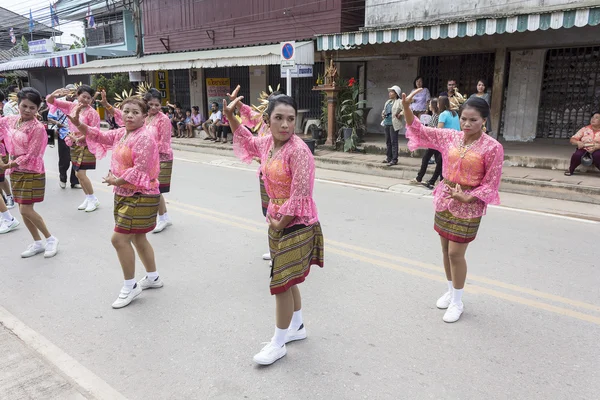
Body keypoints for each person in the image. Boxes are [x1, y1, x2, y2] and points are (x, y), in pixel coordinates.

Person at [226, 91, 324, 366]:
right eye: (279, 118)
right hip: (277, 219)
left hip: (298, 222)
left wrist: (282, 220)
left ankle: (278, 343)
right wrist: (231, 117)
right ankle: (298, 327)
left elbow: (301, 191)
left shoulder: (298, 151)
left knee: (280, 283)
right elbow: (246, 140)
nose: (285, 125)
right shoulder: (268, 142)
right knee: (287, 279)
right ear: (267, 120)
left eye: (290, 119)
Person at [403, 90, 504, 323]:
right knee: (444, 251)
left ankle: (458, 301)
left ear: (484, 121)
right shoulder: (450, 137)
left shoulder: (492, 147)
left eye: (473, 120)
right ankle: (451, 291)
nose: (467, 124)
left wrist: (470, 198)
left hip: (469, 204)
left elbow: (491, 183)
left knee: (455, 254)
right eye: (464, 118)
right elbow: (420, 131)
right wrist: (407, 108)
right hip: (446, 198)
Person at [67, 98, 163, 309]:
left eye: (135, 112)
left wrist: (116, 180)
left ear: (144, 116)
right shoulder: (121, 133)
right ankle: (153, 278)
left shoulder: (145, 138)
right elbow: (99, 134)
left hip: (141, 193)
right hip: (124, 192)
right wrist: (79, 124)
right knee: (138, 238)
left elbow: (140, 170)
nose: (129, 115)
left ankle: (130, 286)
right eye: (126, 111)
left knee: (119, 240)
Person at [101, 88, 174, 234]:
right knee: (152, 189)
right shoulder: (141, 117)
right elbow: (121, 114)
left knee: (154, 188)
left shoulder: (163, 119)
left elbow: (164, 142)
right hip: (144, 157)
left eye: (157, 105)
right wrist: (107, 105)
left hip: (161, 158)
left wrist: (146, 149)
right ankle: (163, 216)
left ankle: (162, 217)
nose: (154, 107)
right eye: (151, 104)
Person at [0, 88, 59, 256]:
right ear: (18, 104)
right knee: (22, 209)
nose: (27, 110)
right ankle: (37, 242)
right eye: (24, 106)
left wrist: (8, 165)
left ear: (38, 109)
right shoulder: (11, 120)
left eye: (32, 107)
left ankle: (50, 239)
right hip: (15, 170)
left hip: (32, 171)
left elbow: (32, 154)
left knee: (26, 210)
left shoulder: (38, 128)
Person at [47, 85, 102, 212]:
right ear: (78, 95)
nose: (86, 100)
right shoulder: (71, 106)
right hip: (74, 143)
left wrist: (80, 138)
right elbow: (51, 101)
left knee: (81, 173)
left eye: (89, 98)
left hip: (86, 144)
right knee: (77, 173)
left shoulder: (92, 113)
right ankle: (88, 197)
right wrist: (55, 93)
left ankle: (93, 198)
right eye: (83, 96)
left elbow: (94, 131)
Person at [47, 91, 80, 189]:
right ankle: (62, 179)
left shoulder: (78, 104)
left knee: (76, 160)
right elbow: (50, 117)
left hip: (76, 136)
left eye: (74, 94)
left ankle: (74, 181)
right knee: (64, 160)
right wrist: (57, 123)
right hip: (63, 134)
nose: (72, 95)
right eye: (70, 93)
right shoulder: (58, 102)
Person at [411, 98, 443, 189]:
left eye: (430, 105)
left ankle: (419, 178)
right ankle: (440, 179)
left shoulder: (436, 116)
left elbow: (433, 128)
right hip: (434, 142)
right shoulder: (434, 115)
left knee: (426, 158)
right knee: (438, 161)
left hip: (434, 142)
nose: (428, 106)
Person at [381, 85, 403, 166]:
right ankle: (388, 158)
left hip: (394, 124)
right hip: (386, 122)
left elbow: (406, 109)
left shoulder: (399, 101)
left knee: (394, 141)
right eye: (390, 92)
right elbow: (384, 110)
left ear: (396, 93)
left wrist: (400, 114)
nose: (390, 93)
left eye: (392, 92)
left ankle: (394, 159)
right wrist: (383, 114)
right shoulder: (388, 102)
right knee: (388, 141)